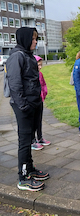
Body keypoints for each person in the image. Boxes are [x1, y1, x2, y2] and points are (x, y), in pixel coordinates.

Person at [6, 27, 50, 191]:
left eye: (36, 38)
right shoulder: (17, 57)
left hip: (34, 104)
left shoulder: (27, 55)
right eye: (33, 38)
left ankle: (30, 169)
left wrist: (36, 103)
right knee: (24, 142)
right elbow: (15, 84)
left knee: (30, 139)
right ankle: (23, 177)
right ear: (25, 39)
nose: (35, 41)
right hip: (24, 106)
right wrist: (24, 106)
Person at [31, 55, 51, 151]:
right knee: (32, 122)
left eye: (40, 65)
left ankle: (40, 137)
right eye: (38, 65)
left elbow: (43, 85)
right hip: (32, 102)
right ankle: (32, 140)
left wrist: (44, 94)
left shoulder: (40, 74)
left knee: (39, 120)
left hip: (40, 100)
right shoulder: (30, 75)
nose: (40, 67)